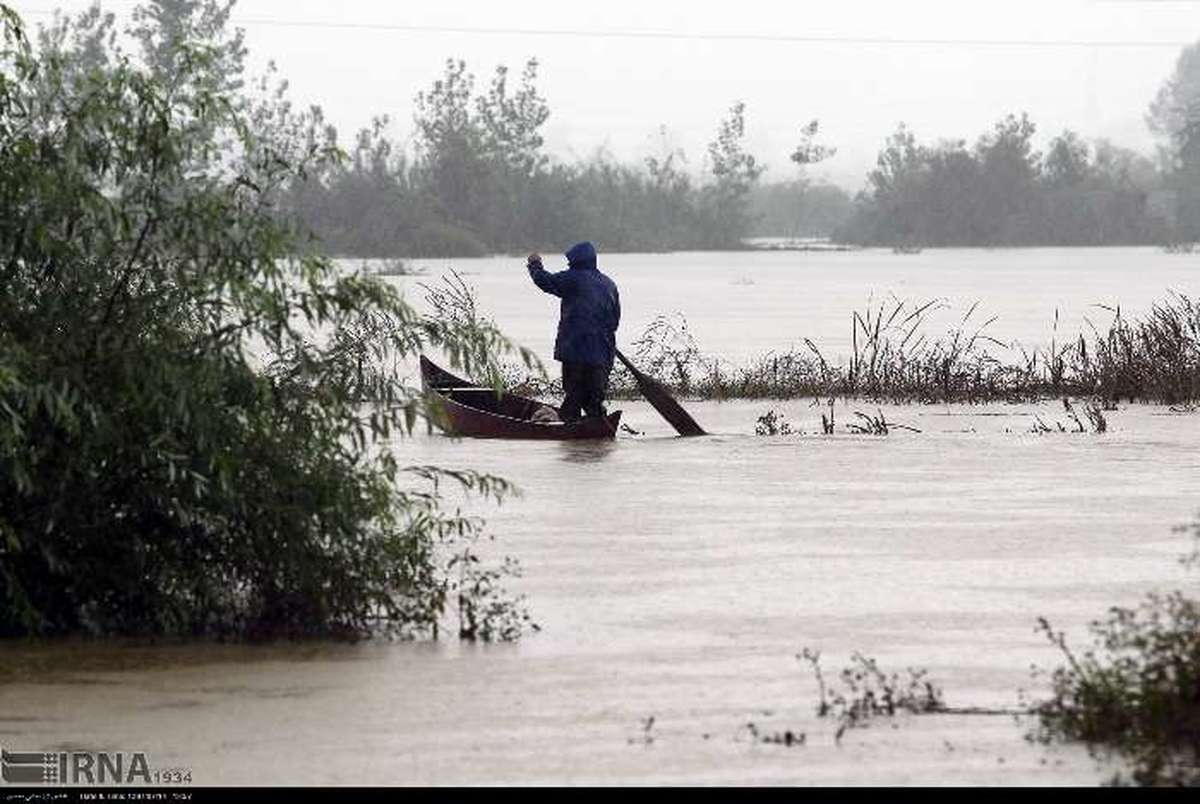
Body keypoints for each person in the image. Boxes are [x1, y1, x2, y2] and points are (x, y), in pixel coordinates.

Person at [526, 241, 621, 422]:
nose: (568, 265)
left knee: (574, 394)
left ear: (575, 262)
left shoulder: (572, 278)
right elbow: (615, 321)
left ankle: (572, 434)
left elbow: (544, 281)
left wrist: (534, 264)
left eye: (570, 262)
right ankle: (596, 435)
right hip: (603, 352)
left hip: (575, 349)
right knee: (594, 399)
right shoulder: (610, 285)